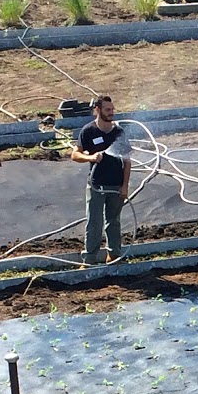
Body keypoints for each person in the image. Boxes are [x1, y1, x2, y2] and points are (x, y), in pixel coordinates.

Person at [72, 93, 133, 266]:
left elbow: (127, 162)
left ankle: (114, 257)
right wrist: (91, 158)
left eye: (112, 109)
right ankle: (89, 259)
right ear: (97, 110)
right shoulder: (89, 131)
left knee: (113, 222)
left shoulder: (119, 133)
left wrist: (125, 186)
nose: (111, 112)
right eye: (107, 109)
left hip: (115, 186)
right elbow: (75, 154)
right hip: (96, 185)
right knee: (94, 223)